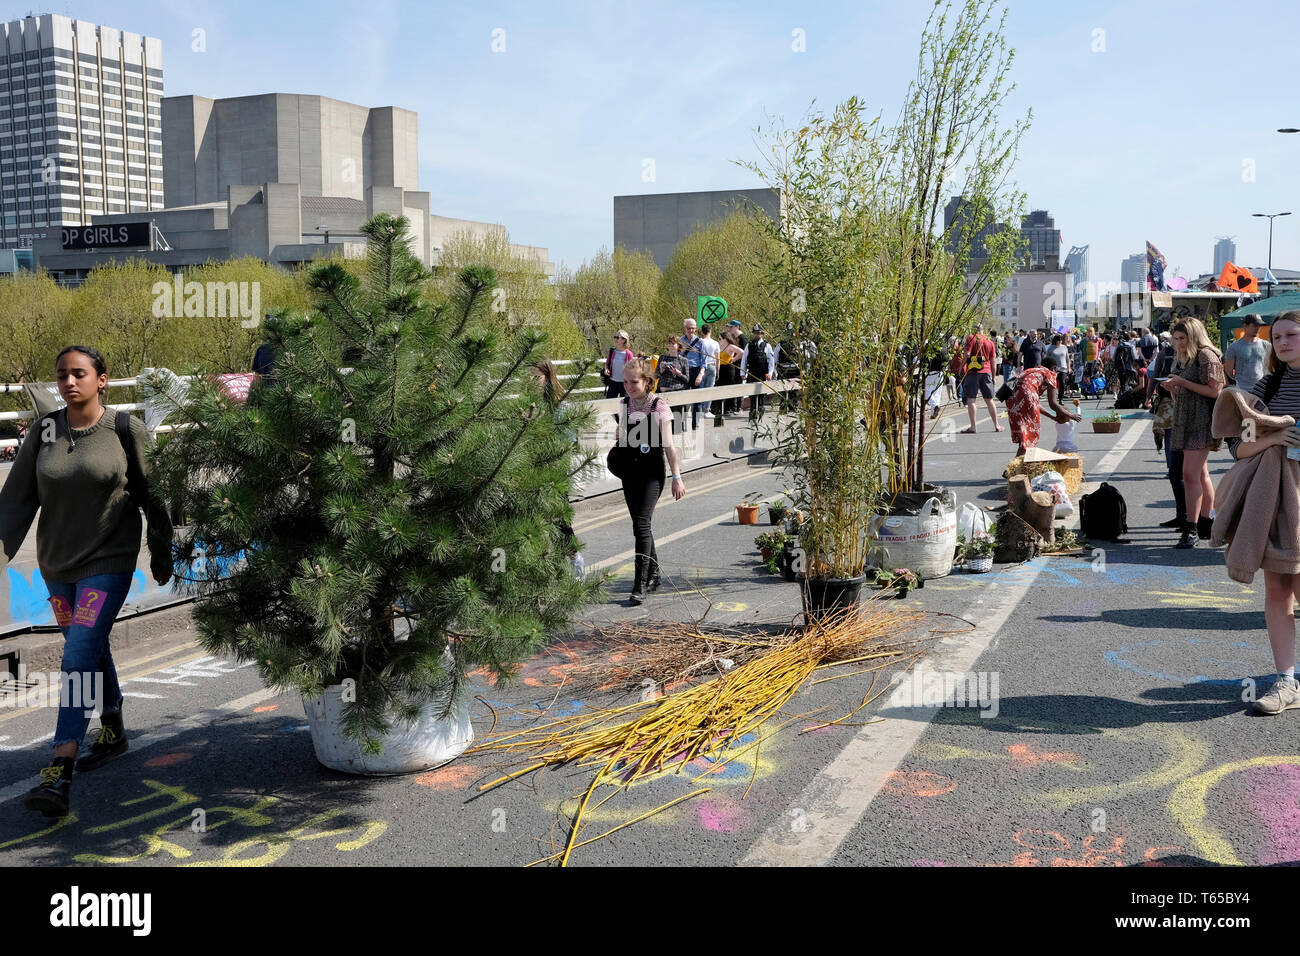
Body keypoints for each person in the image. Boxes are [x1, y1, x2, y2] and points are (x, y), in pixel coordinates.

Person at [0, 345, 174, 817]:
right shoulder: (46, 430)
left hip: (108, 562)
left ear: (102, 379)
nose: (69, 382)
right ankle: (113, 726)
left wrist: (162, 549)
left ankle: (60, 767)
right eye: (62, 375)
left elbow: (152, 493)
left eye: (79, 374)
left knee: (76, 655)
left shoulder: (124, 428)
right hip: (57, 567)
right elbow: (15, 499)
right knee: (88, 645)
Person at [1222, 312, 1300, 713]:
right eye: (1278, 337)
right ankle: (1286, 682)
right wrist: (1275, 438)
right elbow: (1239, 447)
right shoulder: (1270, 384)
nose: (1283, 342)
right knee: (1277, 590)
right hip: (1272, 499)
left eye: (1291, 335)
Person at [614, 359, 686, 604]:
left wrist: (677, 477)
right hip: (630, 472)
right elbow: (621, 438)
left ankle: (640, 584)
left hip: (652, 473)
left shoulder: (659, 407)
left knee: (642, 524)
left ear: (647, 382)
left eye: (634, 382)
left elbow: (669, 446)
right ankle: (654, 573)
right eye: (625, 382)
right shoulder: (624, 404)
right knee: (639, 525)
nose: (629, 386)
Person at [1163, 318, 1224, 549]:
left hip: (1201, 423)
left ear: (1194, 336)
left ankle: (1192, 528)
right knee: (1199, 475)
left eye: (1182, 338)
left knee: (1189, 475)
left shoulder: (1206, 355)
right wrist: (1175, 388)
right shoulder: (1191, 357)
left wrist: (1182, 383)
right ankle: (1207, 523)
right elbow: (1192, 393)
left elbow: (1216, 391)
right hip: (1190, 420)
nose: (1178, 343)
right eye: (1176, 338)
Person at [1005, 354, 1081, 457]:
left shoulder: (1032, 371)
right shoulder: (1050, 373)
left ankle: (1019, 465)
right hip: (1026, 397)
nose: (1056, 373)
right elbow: (1053, 403)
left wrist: (1052, 417)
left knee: (1023, 433)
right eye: (1057, 370)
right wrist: (1071, 416)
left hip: (1011, 398)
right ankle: (1014, 466)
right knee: (1030, 434)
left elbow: (1034, 403)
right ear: (1054, 368)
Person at [959, 325, 1003, 434]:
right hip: (986, 371)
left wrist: (961, 366)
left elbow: (967, 354)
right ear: (983, 330)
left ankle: (973, 427)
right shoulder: (990, 342)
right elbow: (993, 361)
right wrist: (993, 376)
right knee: (989, 400)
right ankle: (997, 425)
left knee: (971, 399)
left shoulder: (971, 338)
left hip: (973, 372)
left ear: (974, 330)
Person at [1224, 315, 1272, 395]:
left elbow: (1271, 367)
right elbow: (1229, 371)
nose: (1258, 328)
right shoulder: (1234, 347)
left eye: (1259, 326)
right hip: (1242, 390)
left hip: (1262, 390)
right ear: (1245, 326)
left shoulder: (1266, 345)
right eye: (1255, 325)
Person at [693, 324, 720, 426]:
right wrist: (718, 371)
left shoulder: (700, 341)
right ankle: (706, 410)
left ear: (702, 331)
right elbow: (718, 358)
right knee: (709, 389)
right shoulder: (715, 343)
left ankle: (699, 410)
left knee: (701, 388)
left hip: (702, 366)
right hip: (712, 366)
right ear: (710, 331)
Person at [746, 325, 774, 423]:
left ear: (763, 334)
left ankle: (760, 413)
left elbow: (771, 361)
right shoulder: (749, 345)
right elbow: (745, 358)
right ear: (754, 333)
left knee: (761, 394)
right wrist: (742, 372)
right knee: (752, 395)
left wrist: (770, 373)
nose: (758, 335)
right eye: (757, 333)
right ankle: (753, 413)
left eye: (760, 333)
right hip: (752, 373)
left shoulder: (767, 345)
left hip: (762, 373)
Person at [603, 331, 634, 399]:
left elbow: (632, 369)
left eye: (617, 337)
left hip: (624, 383)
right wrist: (606, 369)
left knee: (625, 405)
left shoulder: (629, 353)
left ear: (624, 340)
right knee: (609, 402)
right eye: (615, 337)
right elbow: (607, 364)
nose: (616, 339)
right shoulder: (612, 351)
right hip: (613, 382)